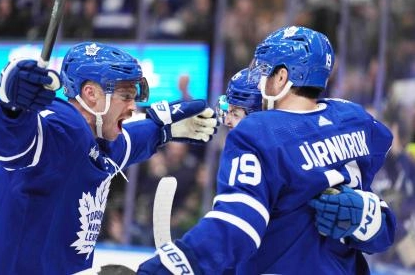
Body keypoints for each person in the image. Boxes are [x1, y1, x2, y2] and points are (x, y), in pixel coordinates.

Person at [137, 26, 396, 274]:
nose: (257, 79)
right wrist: (369, 217)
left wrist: (173, 265)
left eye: (262, 70)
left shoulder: (258, 131)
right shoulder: (351, 116)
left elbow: (237, 228)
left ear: (282, 77)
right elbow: (384, 231)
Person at [0, 41, 218, 275]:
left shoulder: (99, 139)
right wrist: (11, 108)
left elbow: (130, 141)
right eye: (126, 95)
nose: (133, 106)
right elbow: (9, 146)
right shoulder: (62, 128)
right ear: (91, 94)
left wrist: (163, 131)